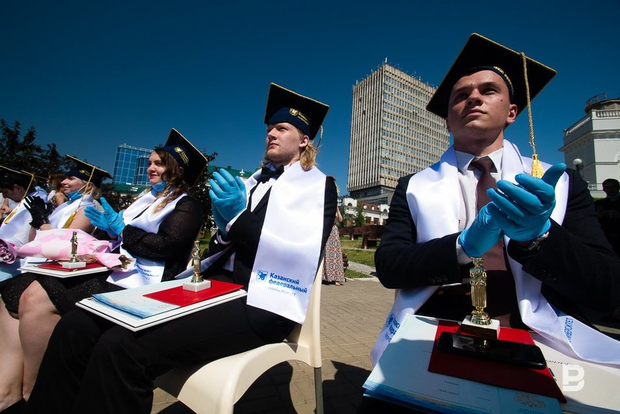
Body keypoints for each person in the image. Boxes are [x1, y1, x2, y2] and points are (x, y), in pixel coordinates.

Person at [25, 83, 337, 414]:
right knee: (78, 324)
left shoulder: (318, 188)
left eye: (282, 128)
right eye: (269, 128)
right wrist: (225, 229)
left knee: (122, 348)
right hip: (212, 287)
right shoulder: (250, 183)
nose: (270, 133)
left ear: (304, 140)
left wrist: (238, 219)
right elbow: (222, 246)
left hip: (262, 301)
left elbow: (297, 254)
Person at [360, 33, 620, 411]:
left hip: (537, 331)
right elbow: (389, 266)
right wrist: (462, 246)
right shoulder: (414, 186)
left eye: (488, 90)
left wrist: (541, 237)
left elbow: (607, 289)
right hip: (437, 327)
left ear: (512, 112)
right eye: (461, 95)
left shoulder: (561, 183)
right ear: (447, 119)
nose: (474, 98)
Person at [0, 133, 206, 412]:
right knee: (18, 289)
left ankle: (35, 391)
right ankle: (10, 391)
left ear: (177, 169)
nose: (150, 168)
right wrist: (110, 232)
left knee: (38, 298)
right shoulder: (145, 200)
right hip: (117, 267)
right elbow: (124, 239)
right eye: (150, 162)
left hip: (146, 282)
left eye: (159, 163)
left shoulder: (188, 205)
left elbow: (164, 247)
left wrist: (122, 230)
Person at [0, 166, 48, 284]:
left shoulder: (34, 203)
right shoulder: (25, 201)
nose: (5, 197)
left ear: (17, 187)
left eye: (6, 192)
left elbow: (23, 240)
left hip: (13, 263)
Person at [595, 178, 620, 257]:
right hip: (606, 237)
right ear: (603, 189)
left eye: (613, 187)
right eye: (607, 188)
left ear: (618, 187)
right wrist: (598, 216)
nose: (610, 190)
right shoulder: (598, 203)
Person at [323, 206, 346, 285]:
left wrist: (337, 209)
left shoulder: (335, 208)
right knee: (327, 254)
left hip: (334, 232)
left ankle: (336, 278)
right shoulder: (326, 207)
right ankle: (327, 277)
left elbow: (340, 219)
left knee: (336, 255)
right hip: (326, 230)